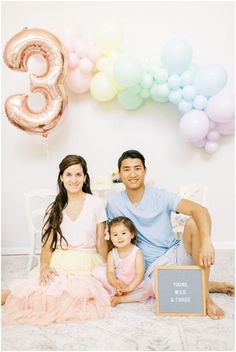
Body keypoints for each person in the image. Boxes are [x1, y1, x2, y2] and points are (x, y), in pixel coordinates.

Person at [106, 150, 234, 320]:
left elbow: (200, 210)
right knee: (169, 289)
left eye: (137, 168)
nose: (133, 174)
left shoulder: (160, 195)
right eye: (127, 169)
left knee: (192, 222)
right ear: (120, 174)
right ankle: (214, 286)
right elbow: (111, 238)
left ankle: (205, 298)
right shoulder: (114, 204)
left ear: (145, 170)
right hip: (152, 268)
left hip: (177, 254)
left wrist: (206, 242)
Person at [2, 154, 111, 326]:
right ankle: (9, 295)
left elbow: (100, 242)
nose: (73, 180)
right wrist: (44, 266)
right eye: (68, 174)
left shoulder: (96, 203)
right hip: (60, 258)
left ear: (84, 177)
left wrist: (111, 266)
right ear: (61, 177)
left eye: (78, 175)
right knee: (41, 291)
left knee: (76, 294)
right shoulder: (54, 207)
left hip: (87, 259)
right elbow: (46, 245)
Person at [92, 216, 153, 306]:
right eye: (115, 235)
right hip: (118, 281)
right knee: (97, 272)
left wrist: (129, 288)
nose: (119, 237)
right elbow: (110, 272)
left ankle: (122, 299)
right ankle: (116, 291)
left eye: (123, 233)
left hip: (134, 283)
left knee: (149, 288)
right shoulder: (112, 254)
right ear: (110, 237)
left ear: (131, 234)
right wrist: (116, 283)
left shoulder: (137, 252)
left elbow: (140, 274)